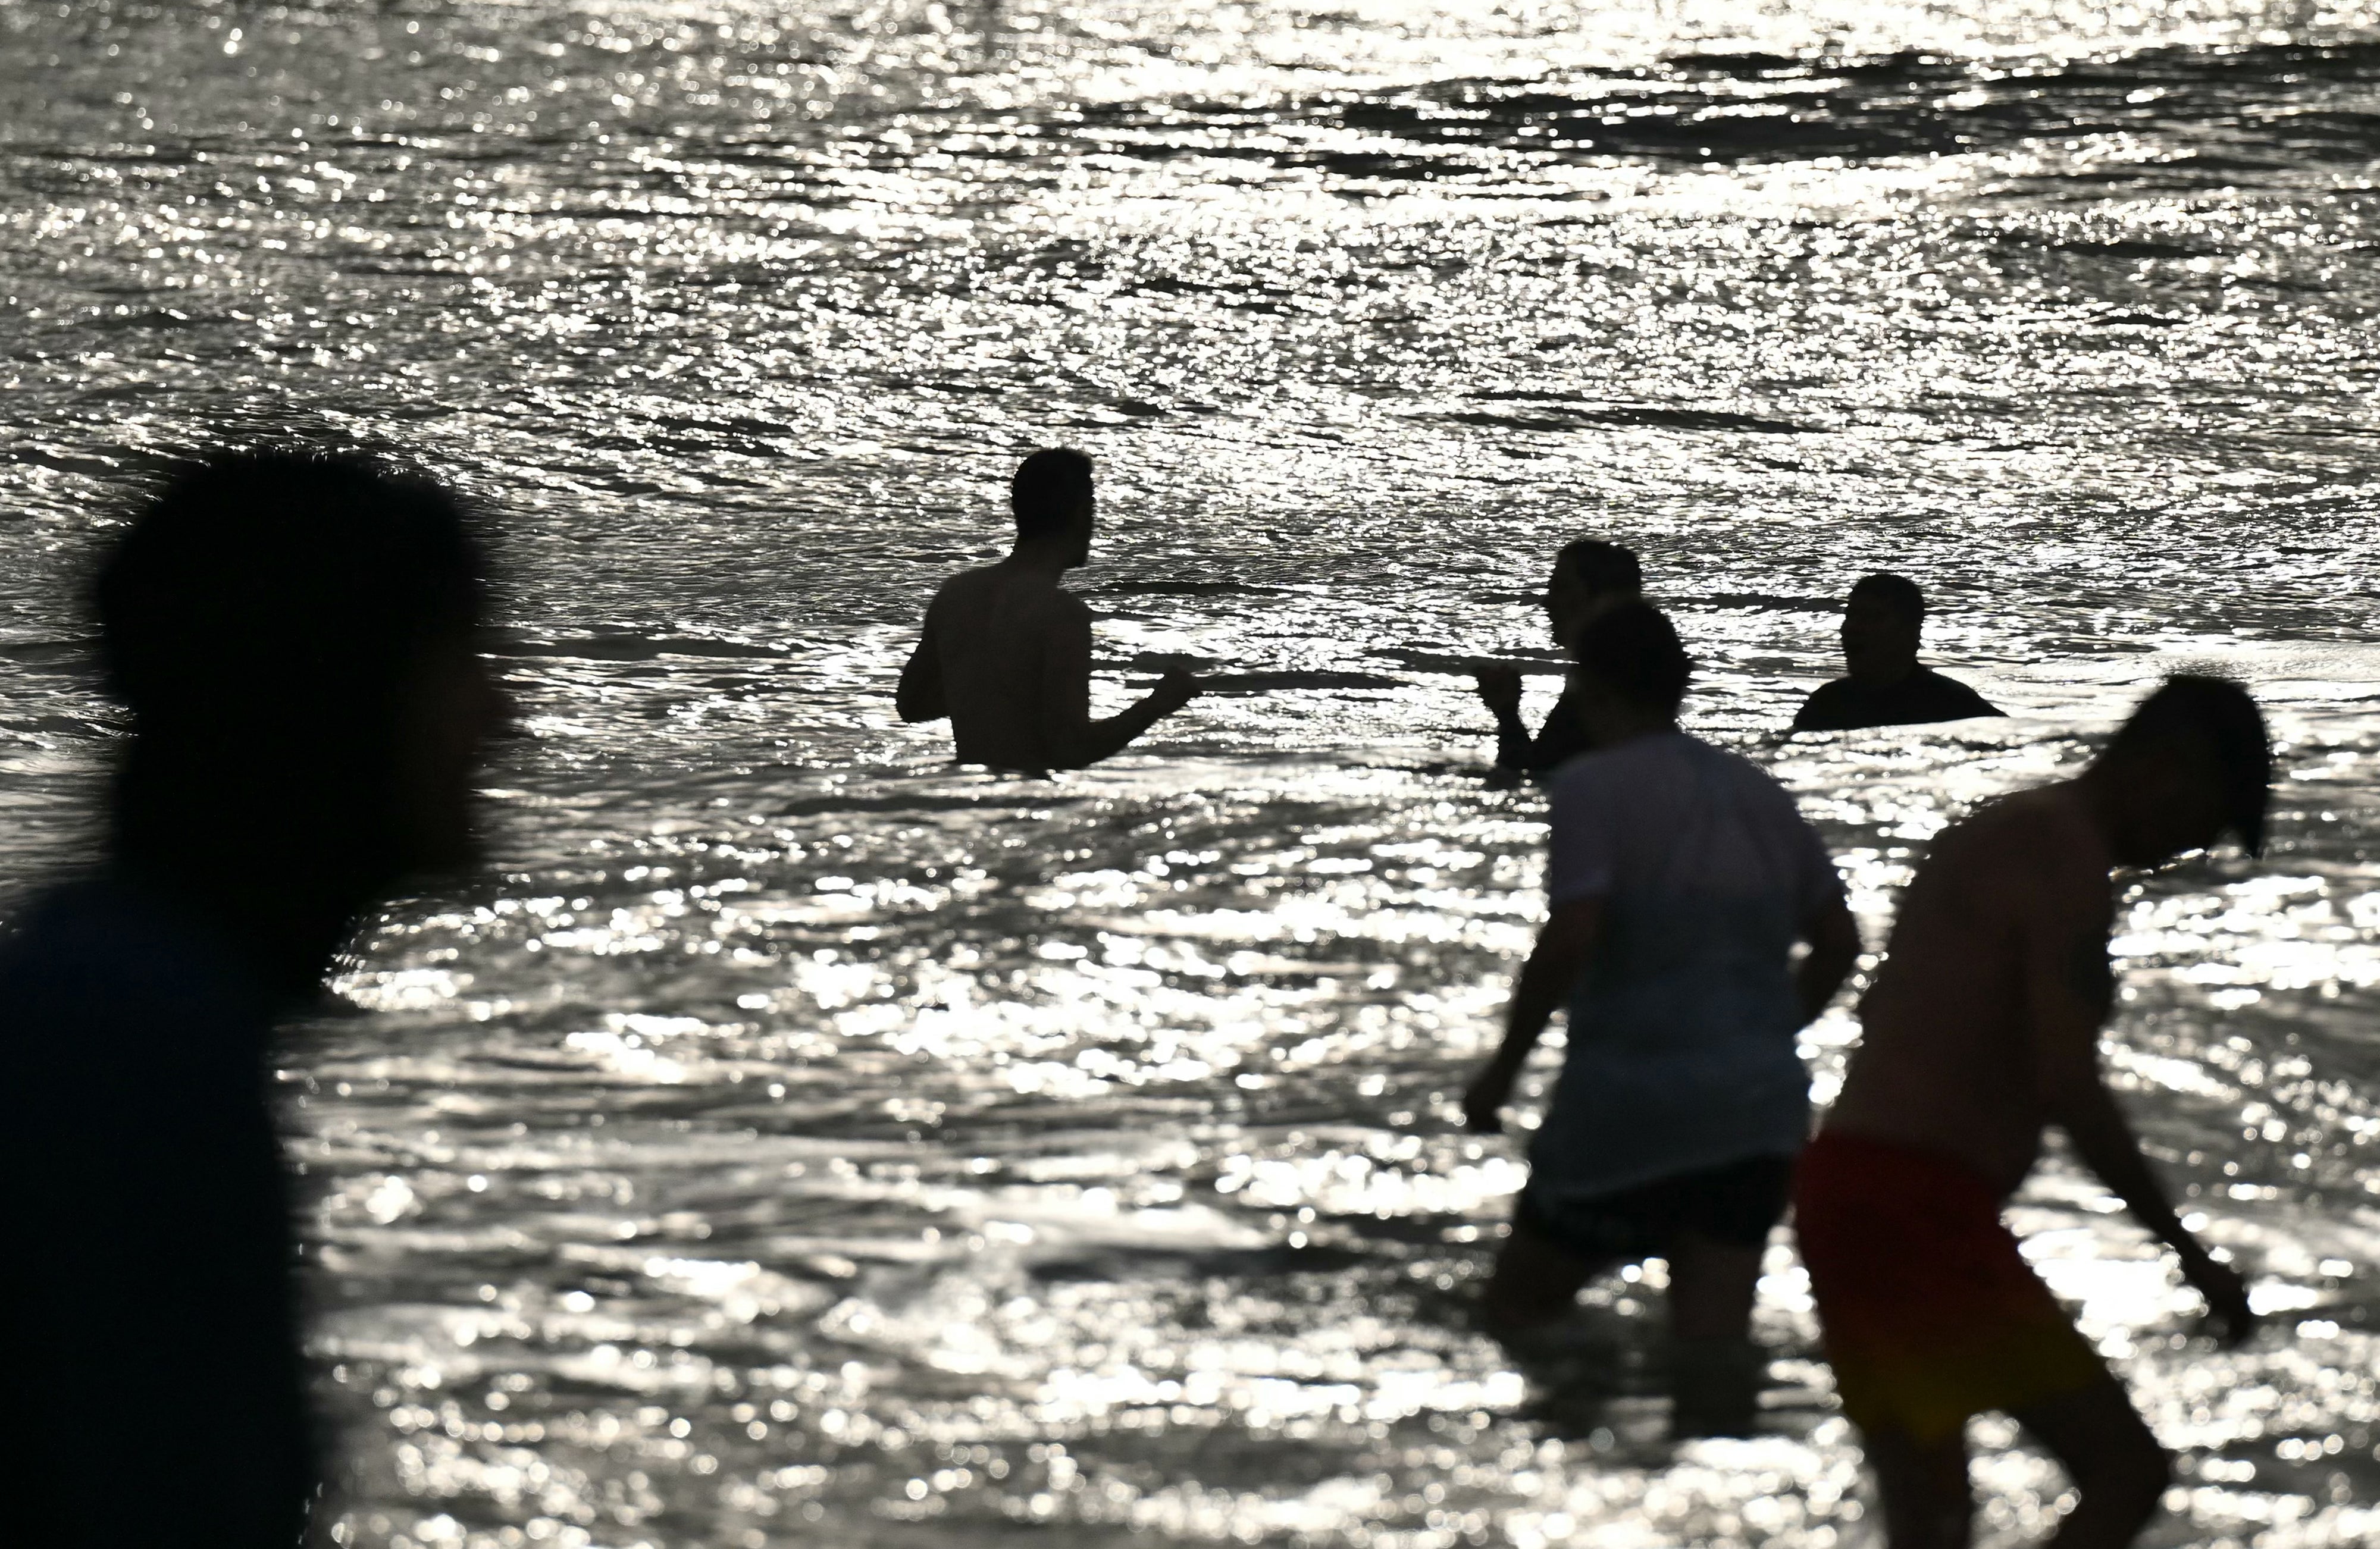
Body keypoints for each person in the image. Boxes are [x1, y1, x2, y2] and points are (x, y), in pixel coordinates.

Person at [0, 450, 506, 1546]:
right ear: (336, 695)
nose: (502, 716)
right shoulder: (129, 1050)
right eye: (462, 656)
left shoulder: (117, 1002)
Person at [1796, 676, 2266, 1549]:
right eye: (2206, 817)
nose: (2191, 846)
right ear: (2168, 770)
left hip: (1842, 1189)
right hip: (1914, 1205)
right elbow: (2068, 1087)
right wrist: (2187, 1251)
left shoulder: (2006, 830)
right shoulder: (2065, 860)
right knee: (2126, 1472)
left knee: (1931, 1528)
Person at [1463, 601, 1861, 1435]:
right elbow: (1837, 941)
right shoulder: (1755, 792)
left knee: (1515, 1313)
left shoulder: (1591, 788)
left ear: (1591, 690)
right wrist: (1765, 1033)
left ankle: (1578, 1459)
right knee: (1710, 1347)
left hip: (1629, 1105)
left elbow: (1572, 935)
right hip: (1756, 1115)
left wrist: (1503, 1070)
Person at [898, 447, 1199, 771]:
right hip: (1033, 806)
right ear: (1081, 514)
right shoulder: (1061, 615)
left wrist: (987, 687)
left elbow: (913, 706)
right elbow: (1071, 749)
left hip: (967, 801)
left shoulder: (958, 595)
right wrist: (1157, 705)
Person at [1473, 538, 1642, 775]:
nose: (1547, 603)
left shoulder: (1601, 685)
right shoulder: (1627, 672)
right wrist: (1507, 710)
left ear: (1599, 600)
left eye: (1560, 589)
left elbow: (1535, 773)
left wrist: (1508, 715)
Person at [1791, 572, 2002, 733]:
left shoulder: (1955, 706)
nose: (1854, 628)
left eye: (1873, 618)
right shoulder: (1827, 704)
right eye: (1851, 616)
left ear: (1911, 633)